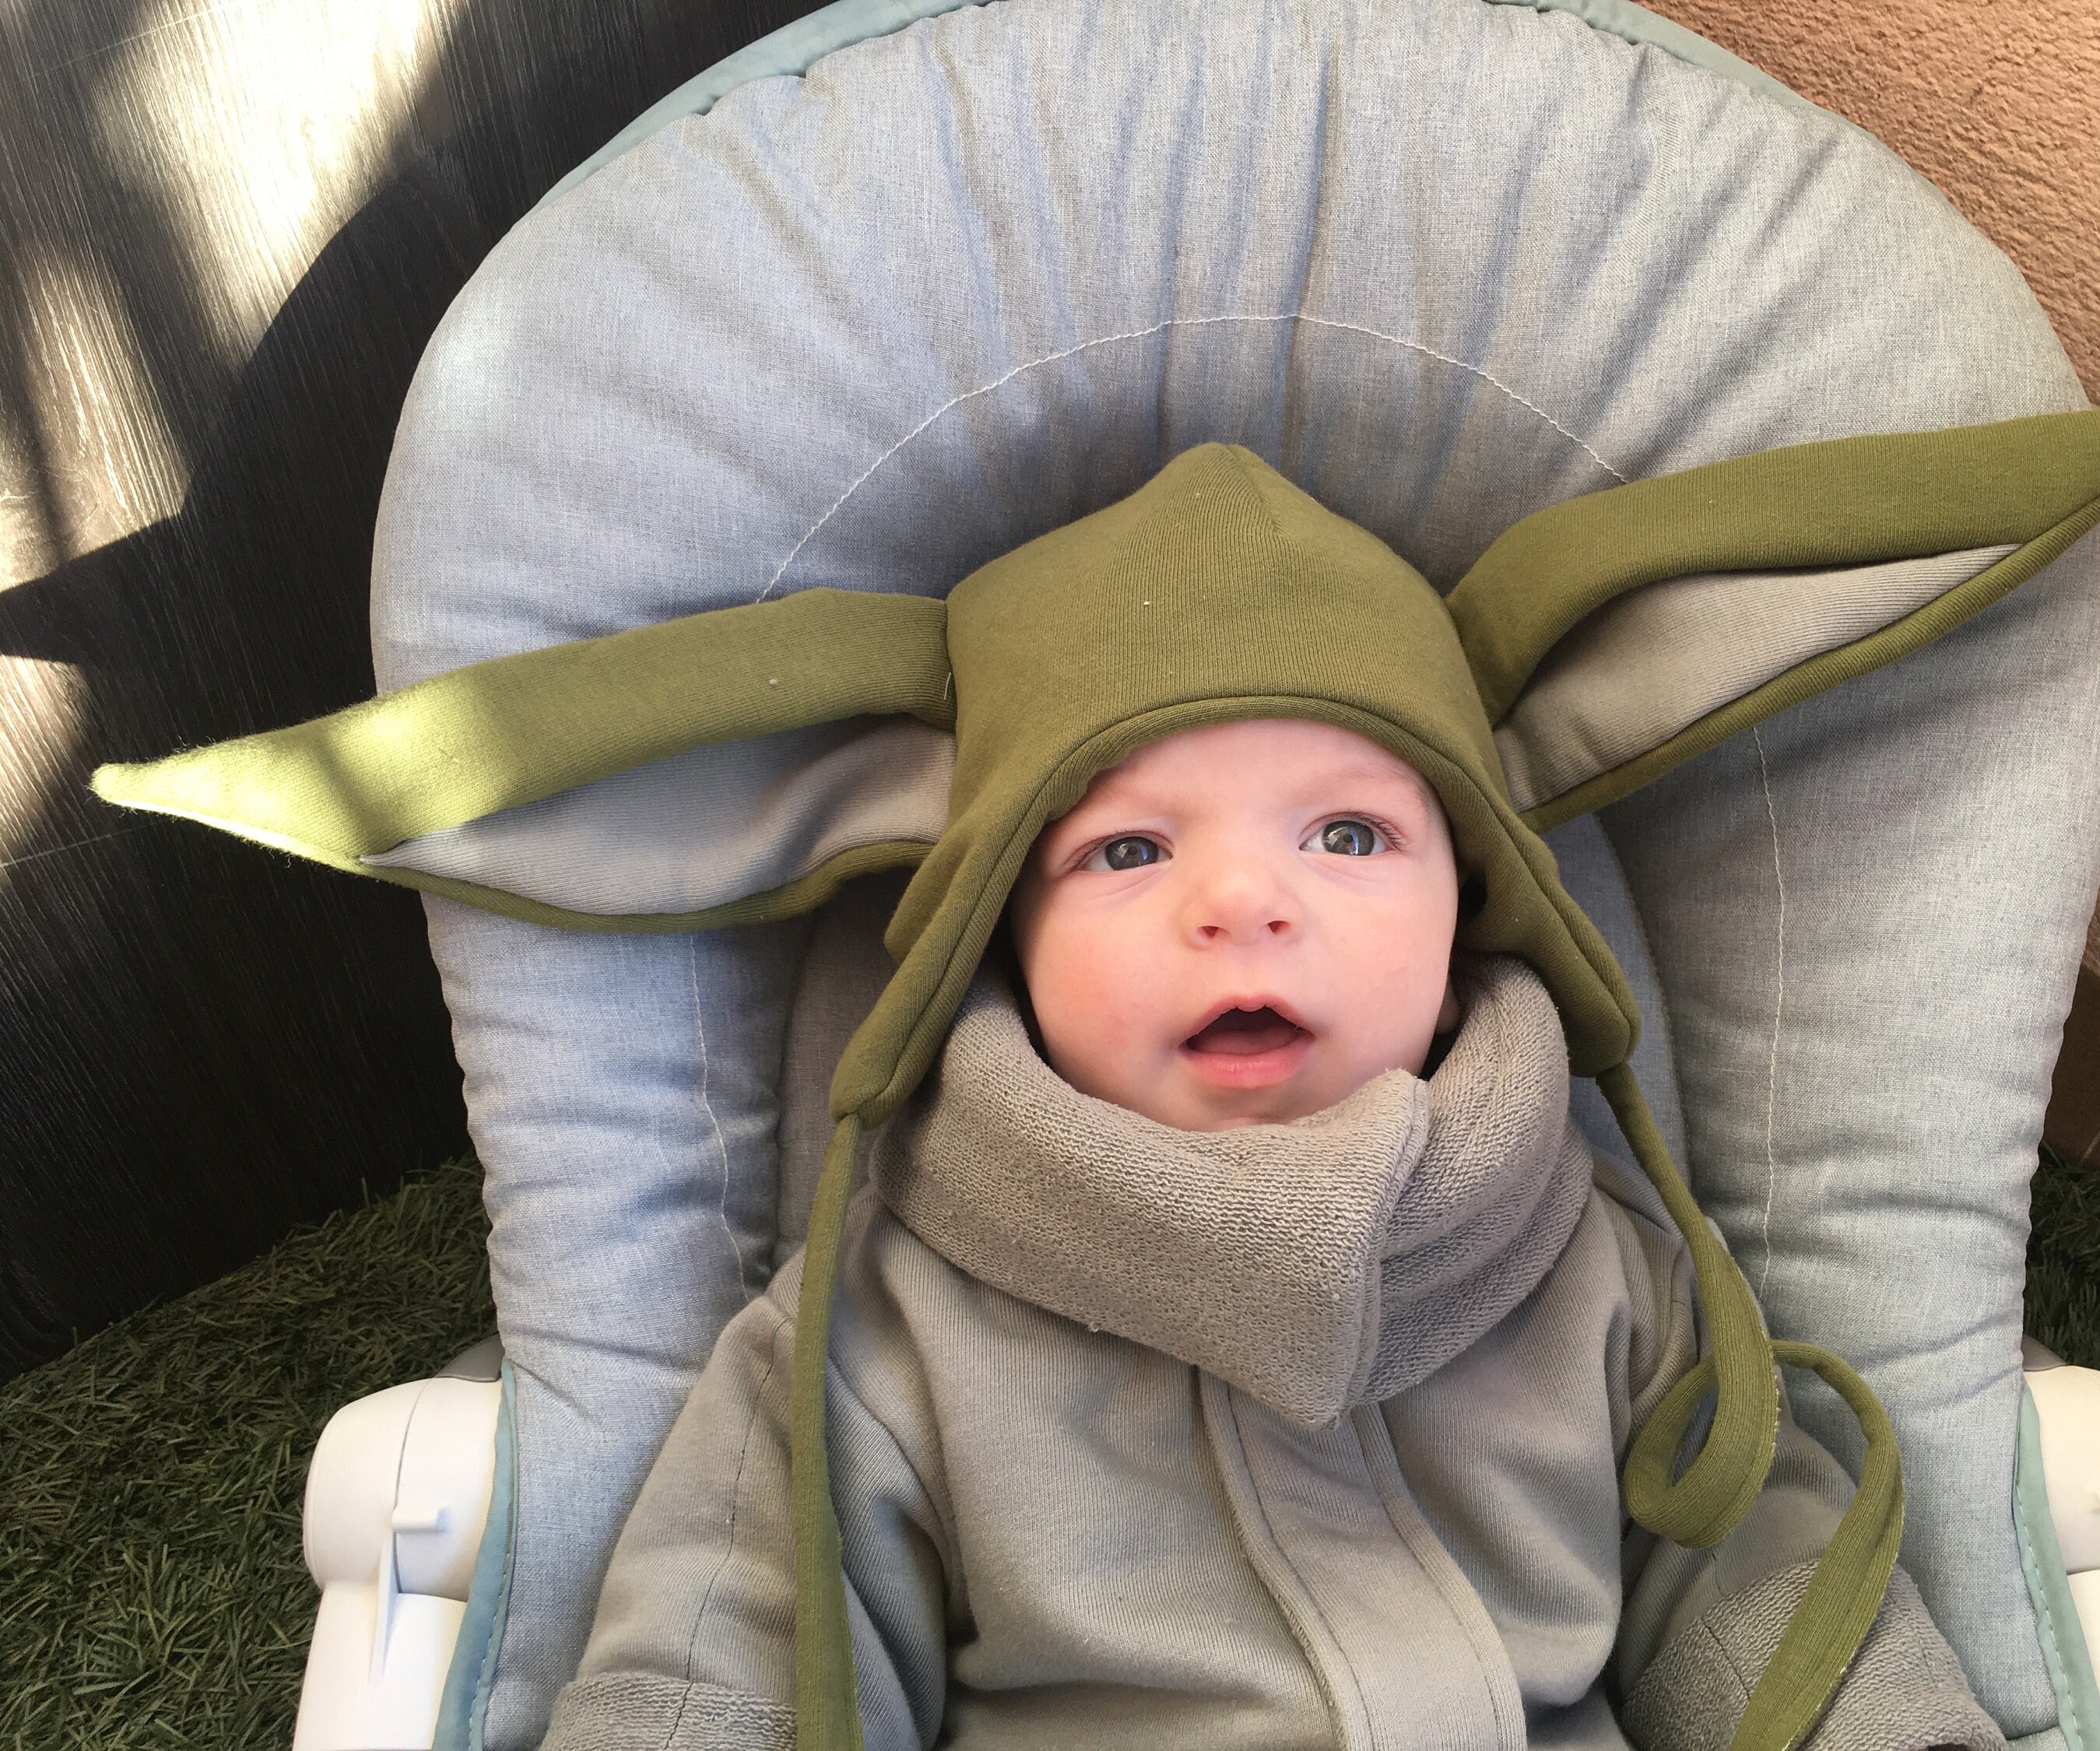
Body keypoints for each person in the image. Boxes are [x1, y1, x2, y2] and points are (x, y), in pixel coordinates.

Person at [537, 453, 2007, 1751]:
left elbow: (1754, 1571)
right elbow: (732, 1631)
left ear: (1471, 910)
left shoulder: (1595, 1256)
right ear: (1000, 938)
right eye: (1127, 851)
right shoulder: (879, 1325)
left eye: (1349, 834)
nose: (1243, 900)